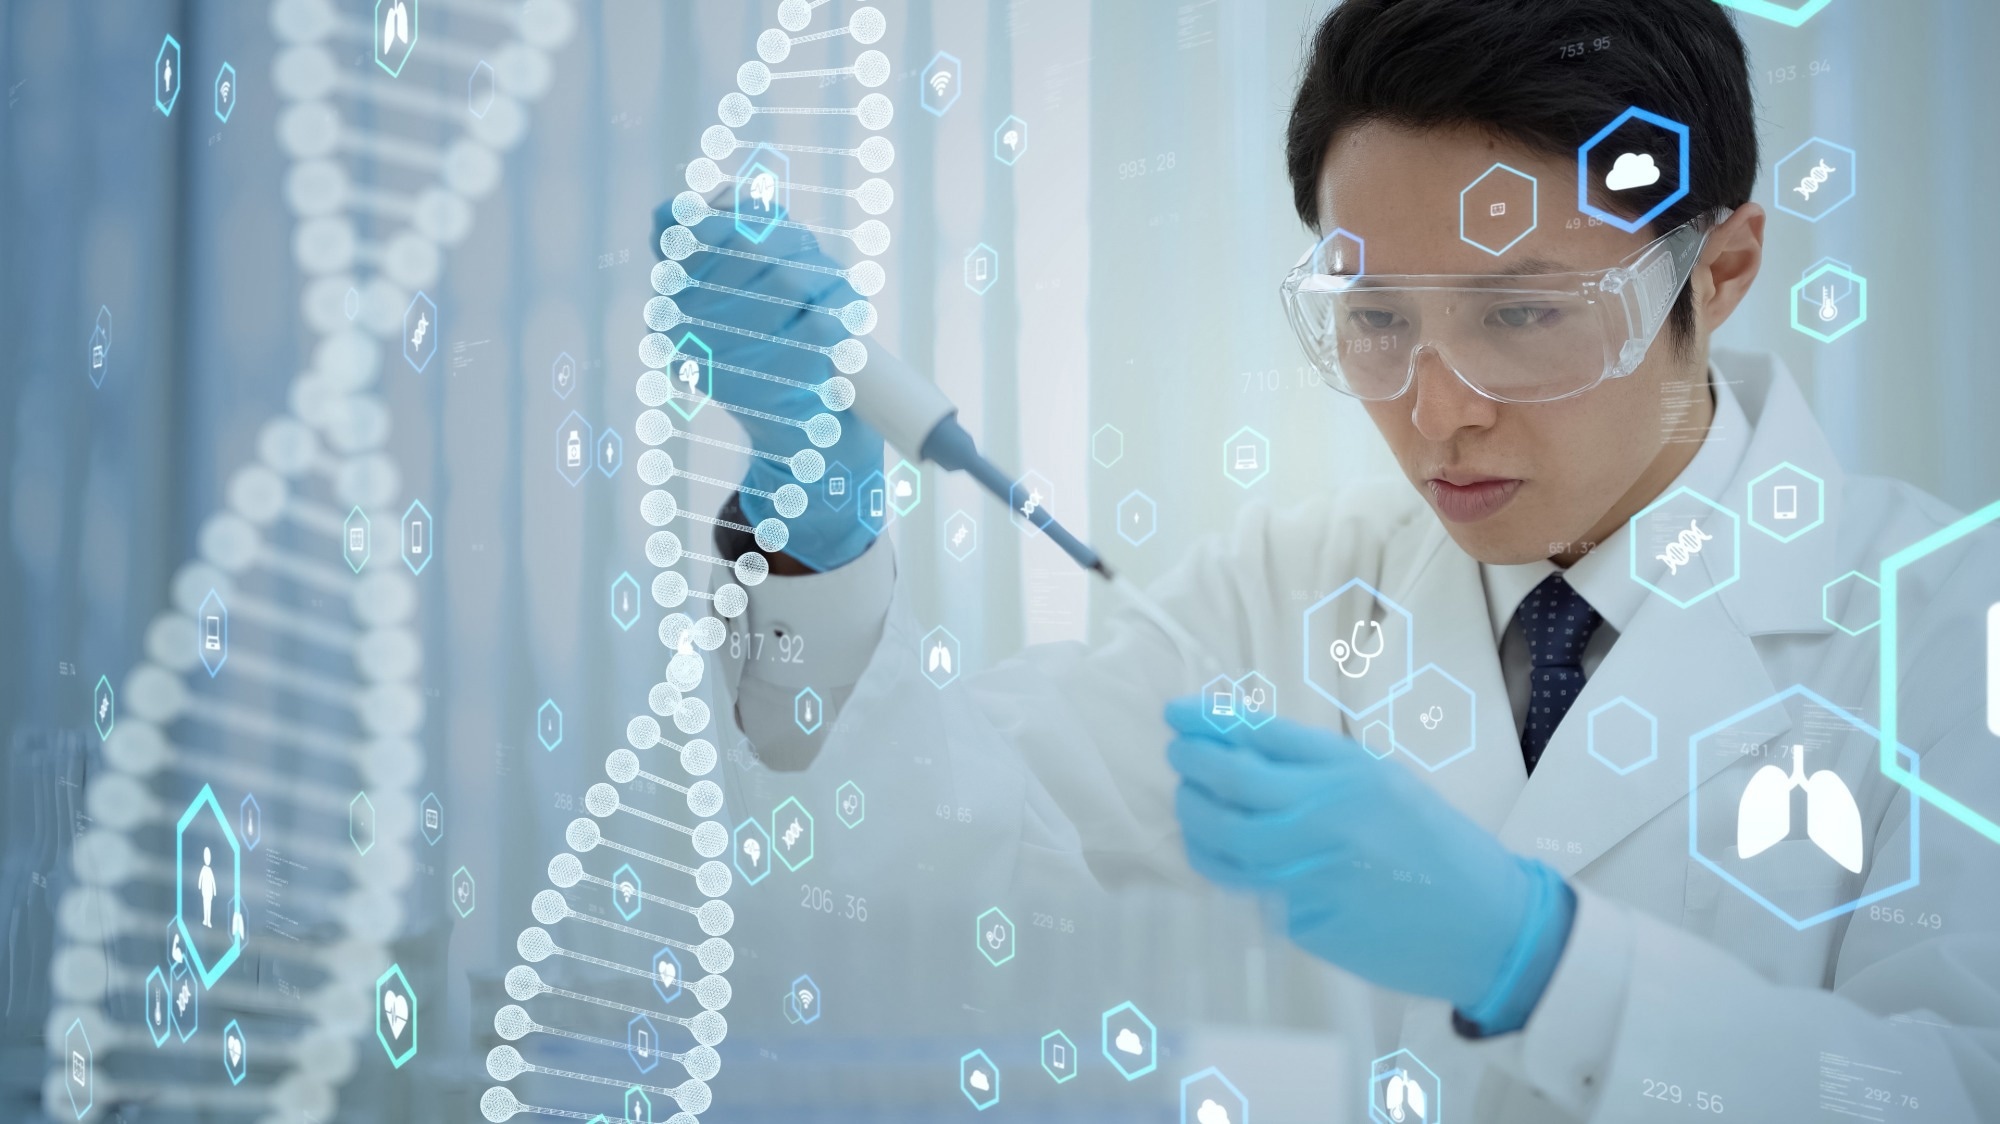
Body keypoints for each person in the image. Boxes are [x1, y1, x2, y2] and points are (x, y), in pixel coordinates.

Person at [655, 0, 2000, 1118]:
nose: (1437, 409)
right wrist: (813, 548)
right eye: (1374, 319)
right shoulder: (1286, 594)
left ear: (1720, 273)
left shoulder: (1941, 623)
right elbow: (941, 850)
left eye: (1524, 311)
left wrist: (1547, 966)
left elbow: (1955, 1084)